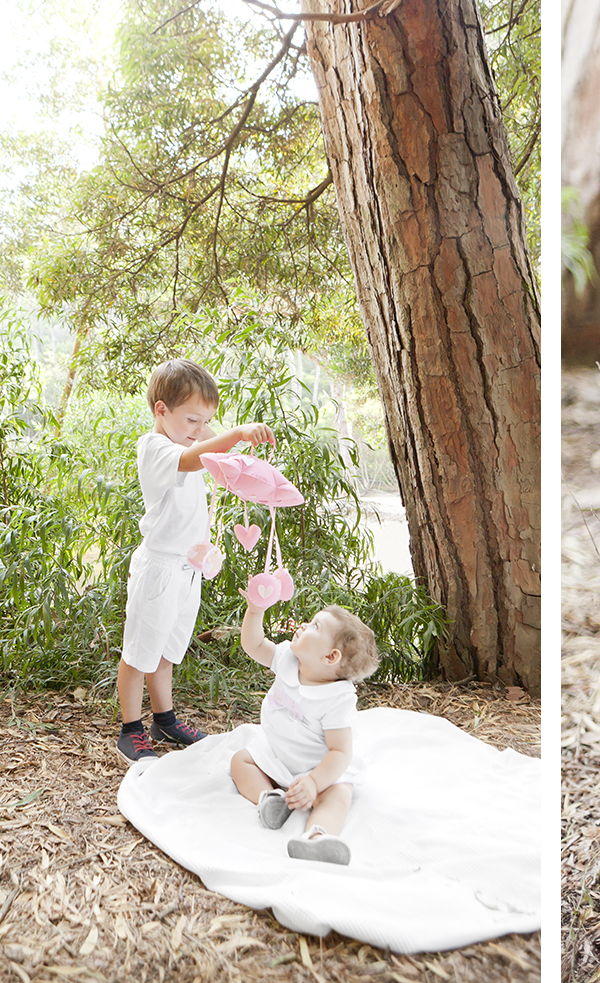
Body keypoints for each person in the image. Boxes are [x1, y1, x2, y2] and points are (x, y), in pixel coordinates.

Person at [117, 358, 276, 763]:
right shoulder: (157, 448)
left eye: (204, 421)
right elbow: (197, 455)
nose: (198, 429)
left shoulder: (188, 440)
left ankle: (164, 719)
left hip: (188, 569)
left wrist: (238, 442)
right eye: (191, 419)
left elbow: (207, 443)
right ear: (161, 410)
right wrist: (236, 433)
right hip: (159, 568)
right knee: (140, 652)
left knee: (168, 650)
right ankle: (131, 729)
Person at [229, 602, 380, 865]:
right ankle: (268, 800)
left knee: (339, 793)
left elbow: (340, 752)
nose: (303, 625)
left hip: (318, 768)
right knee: (241, 761)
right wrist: (255, 610)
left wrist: (313, 782)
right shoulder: (288, 657)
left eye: (315, 626)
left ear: (330, 657)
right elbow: (253, 645)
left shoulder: (337, 699)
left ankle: (318, 837)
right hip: (279, 756)